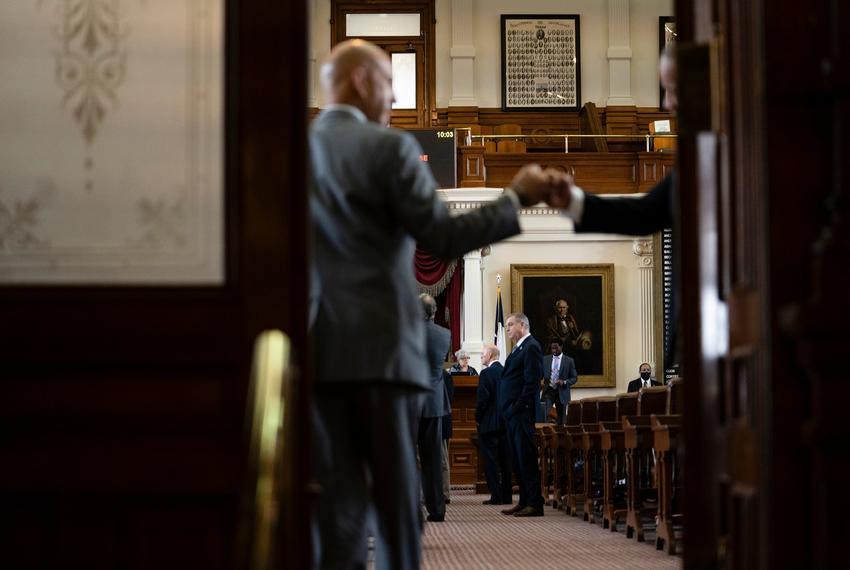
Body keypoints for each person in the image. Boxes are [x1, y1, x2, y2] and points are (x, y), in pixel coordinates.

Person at [309, 39, 557, 569]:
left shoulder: (291, 151)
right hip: (382, 355)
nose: (394, 100)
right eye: (390, 87)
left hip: (316, 353)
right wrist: (515, 199)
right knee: (398, 500)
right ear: (362, 83)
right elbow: (442, 236)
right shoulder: (387, 149)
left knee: (335, 501)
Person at [547, 45, 679, 367]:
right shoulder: (694, 164)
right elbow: (642, 214)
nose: (666, 103)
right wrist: (573, 200)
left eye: (674, 90)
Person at [498, 313, 545, 517]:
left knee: (525, 456)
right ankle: (524, 500)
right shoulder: (518, 348)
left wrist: (519, 405)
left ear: (522, 325)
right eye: (506, 324)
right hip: (512, 413)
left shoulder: (532, 346)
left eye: (510, 324)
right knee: (517, 458)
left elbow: (532, 381)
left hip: (521, 413)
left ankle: (535, 503)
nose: (507, 328)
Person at [418, 294, 450, 522]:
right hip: (435, 402)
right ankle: (437, 509)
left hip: (410, 402)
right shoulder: (444, 334)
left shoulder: (406, 331)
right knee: (433, 459)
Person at [475, 344, 513, 505]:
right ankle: (507, 496)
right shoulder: (507, 371)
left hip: (489, 424)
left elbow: (482, 399)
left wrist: (478, 417)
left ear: (490, 355)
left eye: (483, 354)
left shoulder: (486, 373)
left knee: (490, 461)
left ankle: (496, 496)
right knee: (506, 461)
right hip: (506, 423)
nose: (481, 357)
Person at [540, 338, 578, 425]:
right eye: (552, 348)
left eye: (556, 348)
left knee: (562, 421)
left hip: (562, 393)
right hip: (548, 392)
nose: (553, 350)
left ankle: (561, 437)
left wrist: (564, 382)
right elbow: (540, 375)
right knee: (542, 416)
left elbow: (574, 378)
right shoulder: (545, 360)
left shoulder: (569, 361)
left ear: (561, 346)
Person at [440, 370, 454, 505]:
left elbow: (449, 401)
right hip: (425, 423)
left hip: (442, 422)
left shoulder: (446, 376)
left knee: (443, 460)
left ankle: (445, 493)